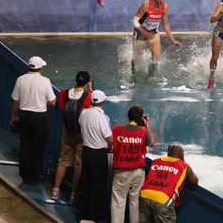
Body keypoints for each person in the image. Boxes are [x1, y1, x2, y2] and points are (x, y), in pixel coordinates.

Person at [10, 56, 56, 185]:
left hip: (24, 115)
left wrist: (13, 116)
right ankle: (35, 176)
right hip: (39, 117)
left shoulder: (20, 80)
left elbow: (15, 100)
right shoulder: (45, 81)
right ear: (40, 68)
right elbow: (52, 102)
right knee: (38, 148)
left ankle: (25, 175)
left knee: (25, 145)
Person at [51, 71, 93, 202]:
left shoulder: (64, 93)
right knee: (78, 164)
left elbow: (62, 108)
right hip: (81, 133)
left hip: (67, 131)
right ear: (87, 83)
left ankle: (56, 190)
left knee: (63, 160)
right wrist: (91, 90)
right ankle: (73, 193)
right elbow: (93, 110)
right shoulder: (89, 96)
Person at [110, 105, 155, 223]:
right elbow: (152, 143)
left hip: (121, 171)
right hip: (138, 172)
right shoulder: (143, 132)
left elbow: (110, 145)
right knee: (135, 204)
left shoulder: (116, 130)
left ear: (128, 116)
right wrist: (147, 125)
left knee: (118, 203)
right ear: (141, 119)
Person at [139, 144, 199, 223]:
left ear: (168, 153)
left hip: (144, 195)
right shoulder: (184, 166)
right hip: (163, 200)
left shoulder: (156, 161)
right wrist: (182, 160)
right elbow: (195, 181)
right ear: (182, 155)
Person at [77, 89, 113, 222]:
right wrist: (110, 148)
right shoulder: (101, 118)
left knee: (86, 182)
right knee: (97, 186)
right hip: (98, 154)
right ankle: (93, 216)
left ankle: (83, 213)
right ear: (103, 102)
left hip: (86, 151)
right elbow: (109, 138)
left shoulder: (83, 114)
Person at [132, 0, 182, 76]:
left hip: (153, 32)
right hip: (140, 31)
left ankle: (150, 78)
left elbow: (165, 24)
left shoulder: (165, 7)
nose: (161, 0)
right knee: (138, 57)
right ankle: (133, 73)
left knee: (156, 58)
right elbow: (135, 21)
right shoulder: (146, 5)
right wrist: (144, 33)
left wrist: (173, 41)